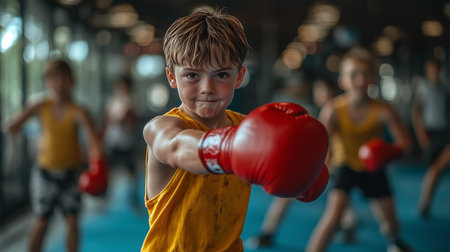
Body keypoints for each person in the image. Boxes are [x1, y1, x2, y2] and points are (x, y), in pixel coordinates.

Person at [140, 9, 330, 252]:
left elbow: (295, 175)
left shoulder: (246, 128)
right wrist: (232, 149)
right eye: (192, 75)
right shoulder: (162, 127)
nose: (207, 87)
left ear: (239, 77)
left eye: (221, 74)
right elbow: (176, 147)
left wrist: (302, 176)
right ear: (171, 77)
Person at [305, 47, 413, 252]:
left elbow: (406, 144)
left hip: (374, 168)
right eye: (354, 74)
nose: (360, 80)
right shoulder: (334, 110)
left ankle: (394, 243)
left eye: (366, 74)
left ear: (373, 78)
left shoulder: (383, 110)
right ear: (343, 80)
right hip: (344, 166)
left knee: (391, 225)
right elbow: (318, 144)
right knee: (334, 216)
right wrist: (314, 170)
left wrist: (388, 151)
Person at [7, 59, 101, 252]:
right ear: (47, 81)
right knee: (41, 222)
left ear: (71, 81)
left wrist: (97, 165)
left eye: (63, 79)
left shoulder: (79, 111)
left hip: (71, 174)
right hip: (45, 174)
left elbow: (93, 143)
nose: (59, 84)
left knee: (72, 222)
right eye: (54, 79)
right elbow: (13, 124)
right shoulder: (41, 106)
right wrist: (18, 127)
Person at [244, 77, 339, 249]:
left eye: (324, 91)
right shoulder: (311, 110)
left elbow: (328, 142)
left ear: (332, 91)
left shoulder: (337, 110)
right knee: (285, 196)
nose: (321, 95)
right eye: (318, 91)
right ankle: (268, 232)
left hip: (336, 164)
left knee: (340, 200)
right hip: (315, 163)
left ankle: (349, 225)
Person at [412, 59, 450, 218]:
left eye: (437, 70)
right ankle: (425, 203)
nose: (434, 74)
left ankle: (425, 203)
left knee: (437, 169)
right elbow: (416, 113)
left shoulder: (445, 88)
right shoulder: (423, 89)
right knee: (435, 170)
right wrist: (421, 133)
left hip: (445, 132)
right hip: (431, 133)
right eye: (431, 70)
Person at [101, 75, 140, 208]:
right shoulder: (112, 102)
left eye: (124, 86)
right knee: (108, 171)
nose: (121, 89)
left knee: (132, 172)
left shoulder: (133, 102)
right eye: (119, 86)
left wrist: (126, 120)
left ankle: (133, 200)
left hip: (127, 142)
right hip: (112, 141)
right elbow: (106, 120)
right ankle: (104, 198)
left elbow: (133, 121)